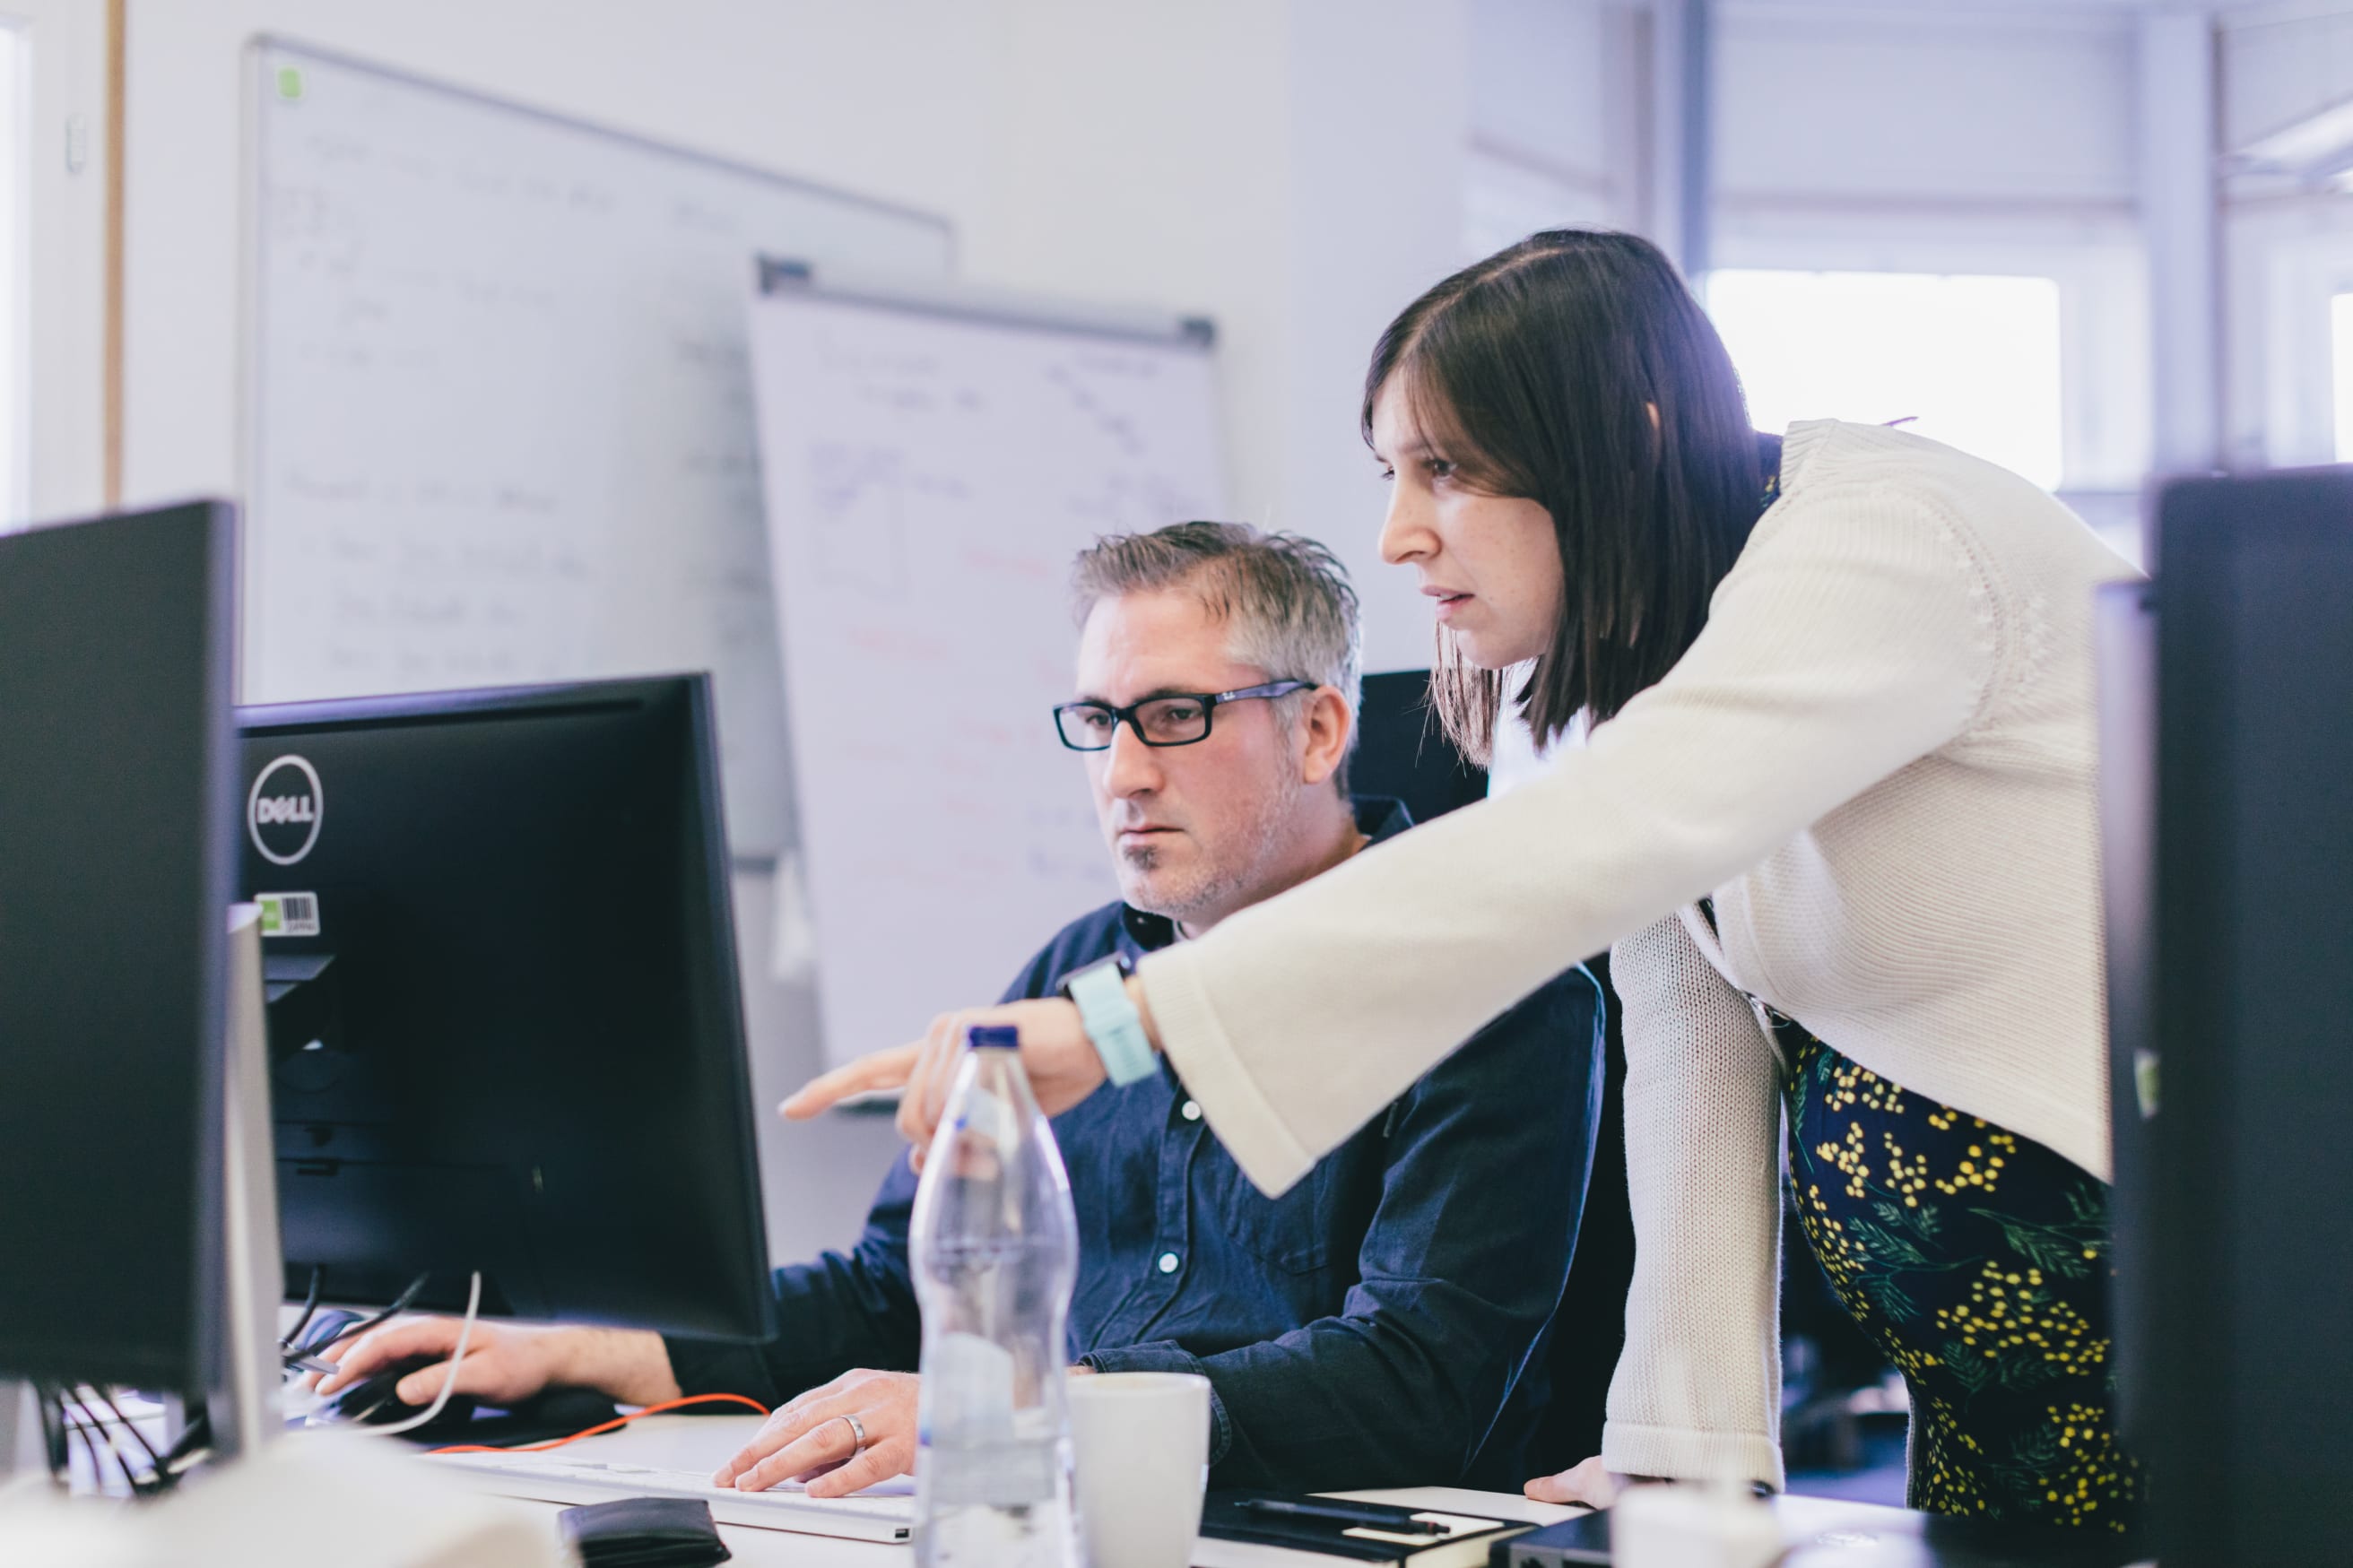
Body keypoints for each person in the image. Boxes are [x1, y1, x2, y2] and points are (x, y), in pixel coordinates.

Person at [792, 231, 2147, 1535]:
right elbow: (1688, 1049)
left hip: (2202, 1298)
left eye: (1446, 470)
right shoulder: (1635, 669)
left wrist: (1113, 1027)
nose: (1395, 533)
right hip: (2004, 1380)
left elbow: (1593, 841)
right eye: (1390, 470)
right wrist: (1682, 1464)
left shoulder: (1889, 548)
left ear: (1628, 440)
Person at [316, 522, 1605, 1500]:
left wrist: (1012, 1405)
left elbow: (1416, 1383)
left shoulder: (1494, 987)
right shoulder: (1076, 971)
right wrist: (583, 1343)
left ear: (1322, 728)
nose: (1122, 773)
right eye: (1099, 720)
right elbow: (895, 1293)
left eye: (1173, 715)